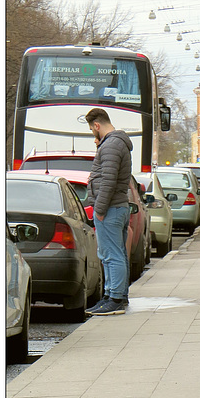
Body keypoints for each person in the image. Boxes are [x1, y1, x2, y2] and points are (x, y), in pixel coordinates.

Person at [85, 108, 133, 316]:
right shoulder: (115, 143)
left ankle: (114, 298)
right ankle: (113, 296)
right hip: (116, 206)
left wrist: (100, 209)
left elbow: (108, 181)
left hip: (110, 208)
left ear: (97, 125)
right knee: (114, 254)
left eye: (91, 130)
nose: (92, 134)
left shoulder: (111, 145)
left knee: (111, 255)